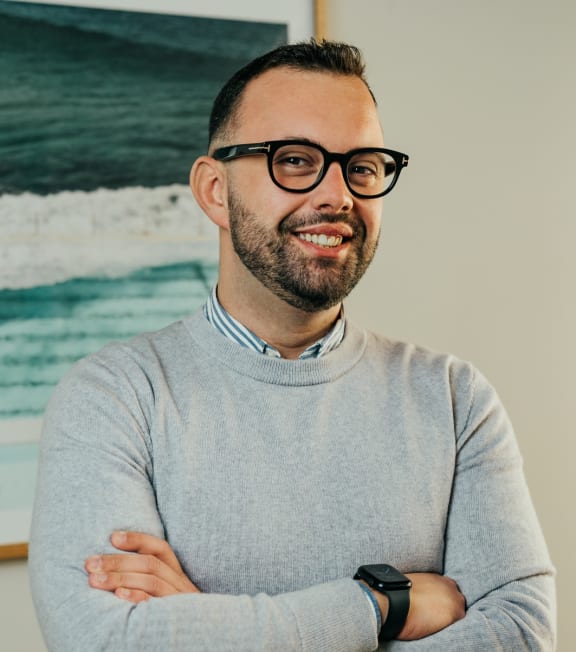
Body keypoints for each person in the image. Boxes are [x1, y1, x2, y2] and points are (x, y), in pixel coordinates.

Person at [29, 40, 556, 651]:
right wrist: (382, 604)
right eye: (296, 160)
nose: (338, 195)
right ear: (214, 191)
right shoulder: (113, 398)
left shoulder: (455, 398)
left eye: (361, 166)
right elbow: (108, 642)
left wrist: (209, 623)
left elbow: (521, 631)